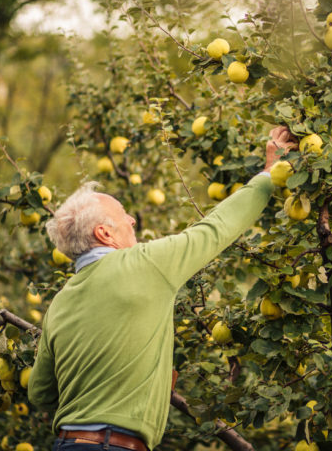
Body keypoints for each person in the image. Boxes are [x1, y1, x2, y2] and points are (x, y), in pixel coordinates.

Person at [28, 126, 297, 451]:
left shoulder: (59, 303)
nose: (132, 220)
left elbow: (40, 393)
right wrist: (269, 174)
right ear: (104, 233)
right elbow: (217, 228)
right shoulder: (144, 265)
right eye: (123, 215)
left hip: (67, 443)